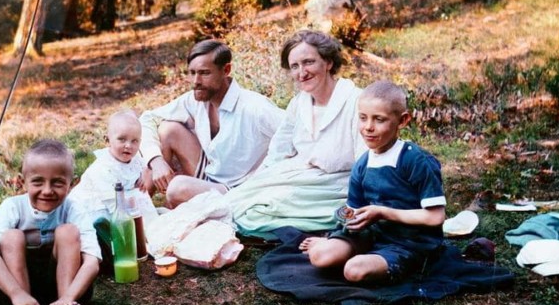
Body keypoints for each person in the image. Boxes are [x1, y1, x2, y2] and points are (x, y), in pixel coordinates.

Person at [300, 80, 446, 282]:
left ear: (402, 121)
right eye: (363, 118)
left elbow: (435, 217)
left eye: (379, 119)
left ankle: (387, 261)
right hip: (372, 234)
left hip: (409, 241)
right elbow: (353, 210)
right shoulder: (363, 163)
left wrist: (381, 212)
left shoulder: (416, 160)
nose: (368, 127)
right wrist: (345, 218)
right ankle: (342, 248)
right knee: (321, 256)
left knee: (354, 271)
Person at [230, 29, 367, 238]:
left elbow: (366, 161)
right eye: (295, 66)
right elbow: (278, 150)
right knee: (237, 203)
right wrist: (260, 181)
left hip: (337, 185)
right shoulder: (299, 103)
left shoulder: (356, 101)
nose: (302, 73)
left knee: (260, 211)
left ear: (328, 62)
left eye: (309, 62)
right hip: (300, 176)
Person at [0, 139, 100, 305]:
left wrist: (68, 297)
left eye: (58, 182)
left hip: (67, 293)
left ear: (72, 183)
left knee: (68, 232)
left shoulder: (73, 208)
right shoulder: (13, 206)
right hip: (17, 294)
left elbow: (92, 262)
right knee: (11, 237)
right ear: (21, 181)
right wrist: (16, 294)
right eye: (37, 182)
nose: (47, 190)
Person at [139, 39, 284, 207]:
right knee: (167, 130)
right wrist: (155, 161)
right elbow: (147, 118)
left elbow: (296, 135)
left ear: (226, 70)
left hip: (238, 191)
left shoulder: (255, 107)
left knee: (176, 188)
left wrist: (266, 177)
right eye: (192, 73)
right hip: (209, 177)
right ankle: (137, 211)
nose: (195, 81)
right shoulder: (197, 99)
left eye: (204, 73)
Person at [68, 110, 158, 264]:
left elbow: (144, 168)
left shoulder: (135, 158)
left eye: (134, 141)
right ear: (107, 139)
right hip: (94, 206)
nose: (128, 146)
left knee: (141, 204)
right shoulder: (103, 168)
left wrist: (145, 174)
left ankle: (149, 234)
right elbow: (114, 205)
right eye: (122, 139)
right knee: (99, 223)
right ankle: (109, 243)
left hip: (119, 201)